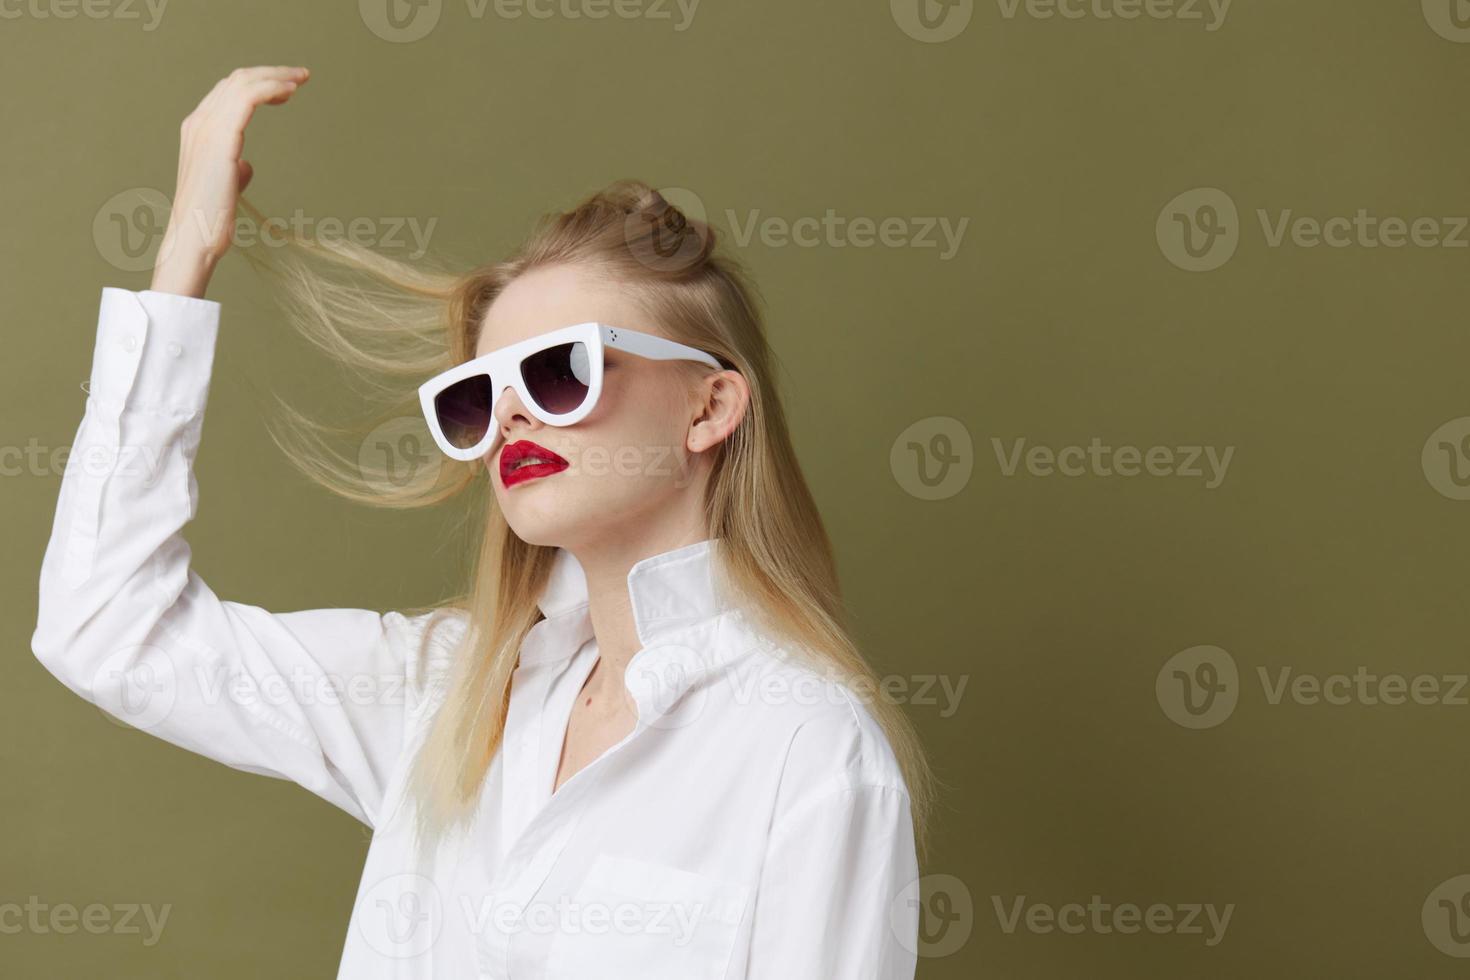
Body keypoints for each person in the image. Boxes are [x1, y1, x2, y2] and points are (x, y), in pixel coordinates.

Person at [31, 65, 937, 979]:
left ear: (709, 406)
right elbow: (106, 630)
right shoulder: (449, 698)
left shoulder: (807, 751)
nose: (510, 416)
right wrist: (181, 266)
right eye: (477, 395)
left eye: (557, 372)